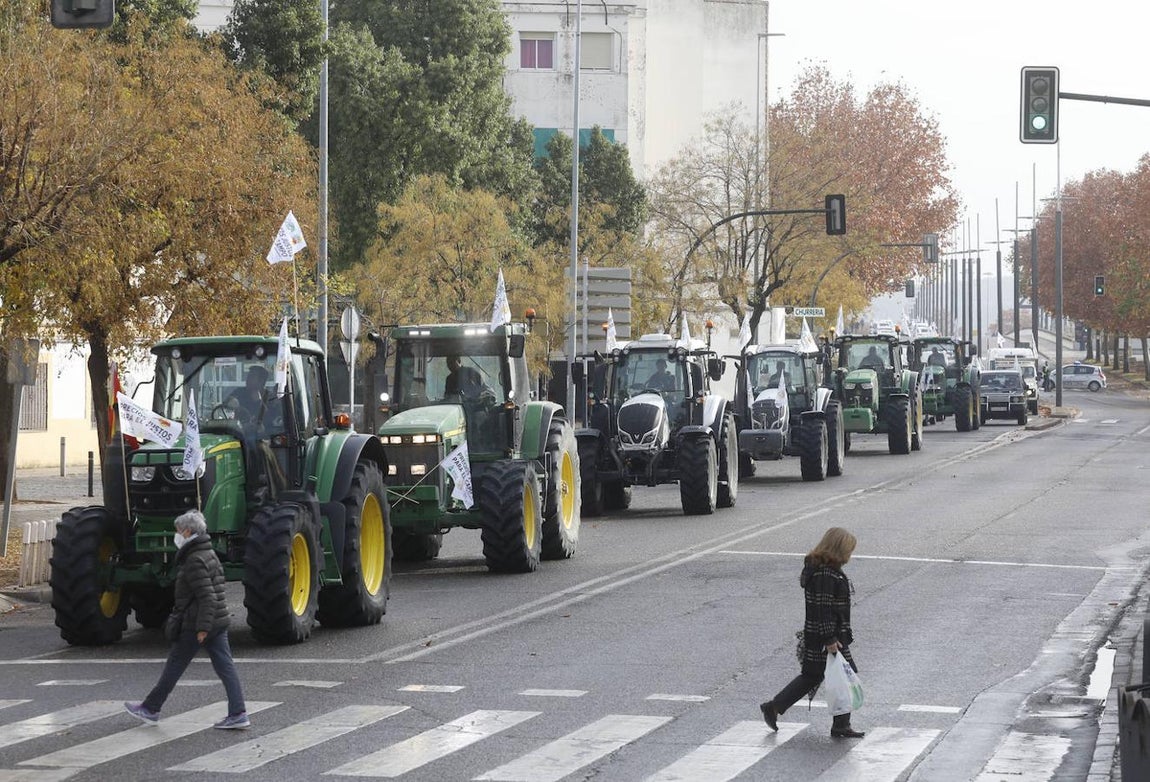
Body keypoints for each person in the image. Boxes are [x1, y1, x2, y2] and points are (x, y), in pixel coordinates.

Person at [125, 510, 249, 730]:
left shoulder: (194, 560)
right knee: (225, 668)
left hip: (196, 623)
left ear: (188, 532)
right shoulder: (209, 553)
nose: (177, 535)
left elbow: (207, 596)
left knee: (175, 665)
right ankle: (238, 713)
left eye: (179, 531)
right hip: (216, 621)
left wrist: (202, 629)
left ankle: (151, 708)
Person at [760, 527, 864, 739]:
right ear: (839, 549)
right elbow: (823, 609)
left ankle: (775, 707)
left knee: (812, 675)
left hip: (819, 635)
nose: (849, 555)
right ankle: (840, 725)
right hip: (826, 636)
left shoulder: (823, 570)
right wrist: (830, 638)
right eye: (848, 550)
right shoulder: (826, 574)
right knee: (845, 675)